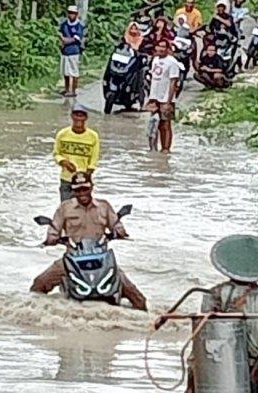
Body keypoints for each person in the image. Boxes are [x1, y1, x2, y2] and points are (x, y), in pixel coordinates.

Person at [30, 172, 148, 311]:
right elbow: (54, 229)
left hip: (102, 259)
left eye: (85, 189)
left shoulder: (104, 206)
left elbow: (116, 225)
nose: (81, 193)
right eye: (77, 190)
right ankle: (36, 322)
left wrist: (119, 232)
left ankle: (148, 325)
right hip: (72, 259)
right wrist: (52, 238)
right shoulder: (65, 208)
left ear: (91, 187)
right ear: (73, 191)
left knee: (138, 298)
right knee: (39, 284)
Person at [185, 235, 258, 393]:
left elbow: (200, 344)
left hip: (213, 370)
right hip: (249, 371)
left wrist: (190, 384)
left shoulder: (213, 294)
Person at [53, 104, 100, 202]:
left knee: (82, 209)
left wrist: (87, 176)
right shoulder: (62, 134)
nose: (79, 118)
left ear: (86, 118)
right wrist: (64, 162)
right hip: (66, 178)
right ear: (72, 116)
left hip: (83, 180)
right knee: (66, 208)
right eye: (76, 115)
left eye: (81, 115)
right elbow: (56, 154)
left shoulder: (93, 136)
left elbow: (94, 159)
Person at [145, 40, 179, 153]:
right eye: (159, 46)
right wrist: (150, 99)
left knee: (165, 124)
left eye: (163, 47)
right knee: (155, 124)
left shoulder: (172, 62)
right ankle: (154, 148)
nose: (161, 49)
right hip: (155, 98)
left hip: (166, 98)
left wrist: (168, 102)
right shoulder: (155, 60)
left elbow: (174, 83)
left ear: (168, 49)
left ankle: (166, 149)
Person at [59, 5, 86, 97]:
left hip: (74, 51)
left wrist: (66, 40)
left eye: (73, 13)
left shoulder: (79, 26)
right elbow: (60, 35)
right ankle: (66, 89)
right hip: (65, 51)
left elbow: (76, 38)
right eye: (70, 13)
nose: (71, 15)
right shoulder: (64, 25)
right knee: (65, 71)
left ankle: (73, 90)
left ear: (76, 14)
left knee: (74, 72)